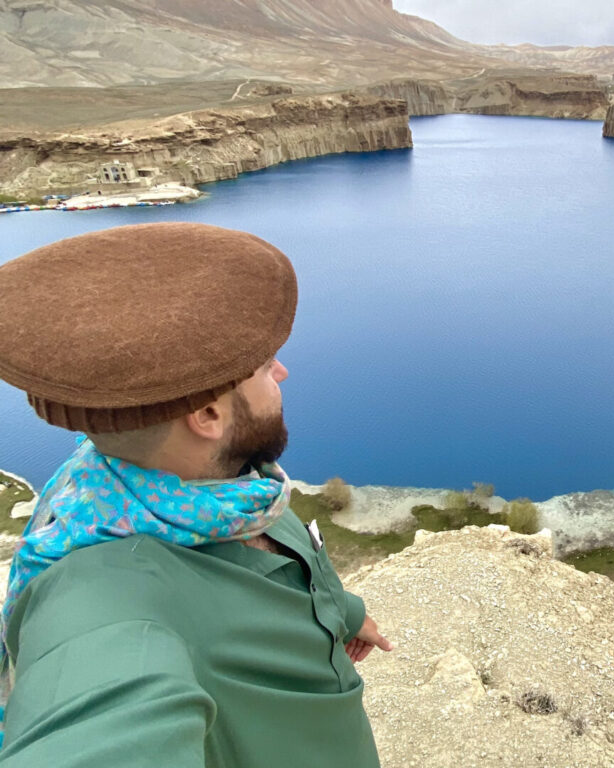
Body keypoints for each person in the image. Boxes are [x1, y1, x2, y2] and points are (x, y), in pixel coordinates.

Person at [0, 222, 391, 767]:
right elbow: (97, 725)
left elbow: (281, 566)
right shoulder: (106, 601)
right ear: (207, 415)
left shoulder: (224, 492)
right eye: (264, 367)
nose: (283, 371)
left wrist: (344, 614)